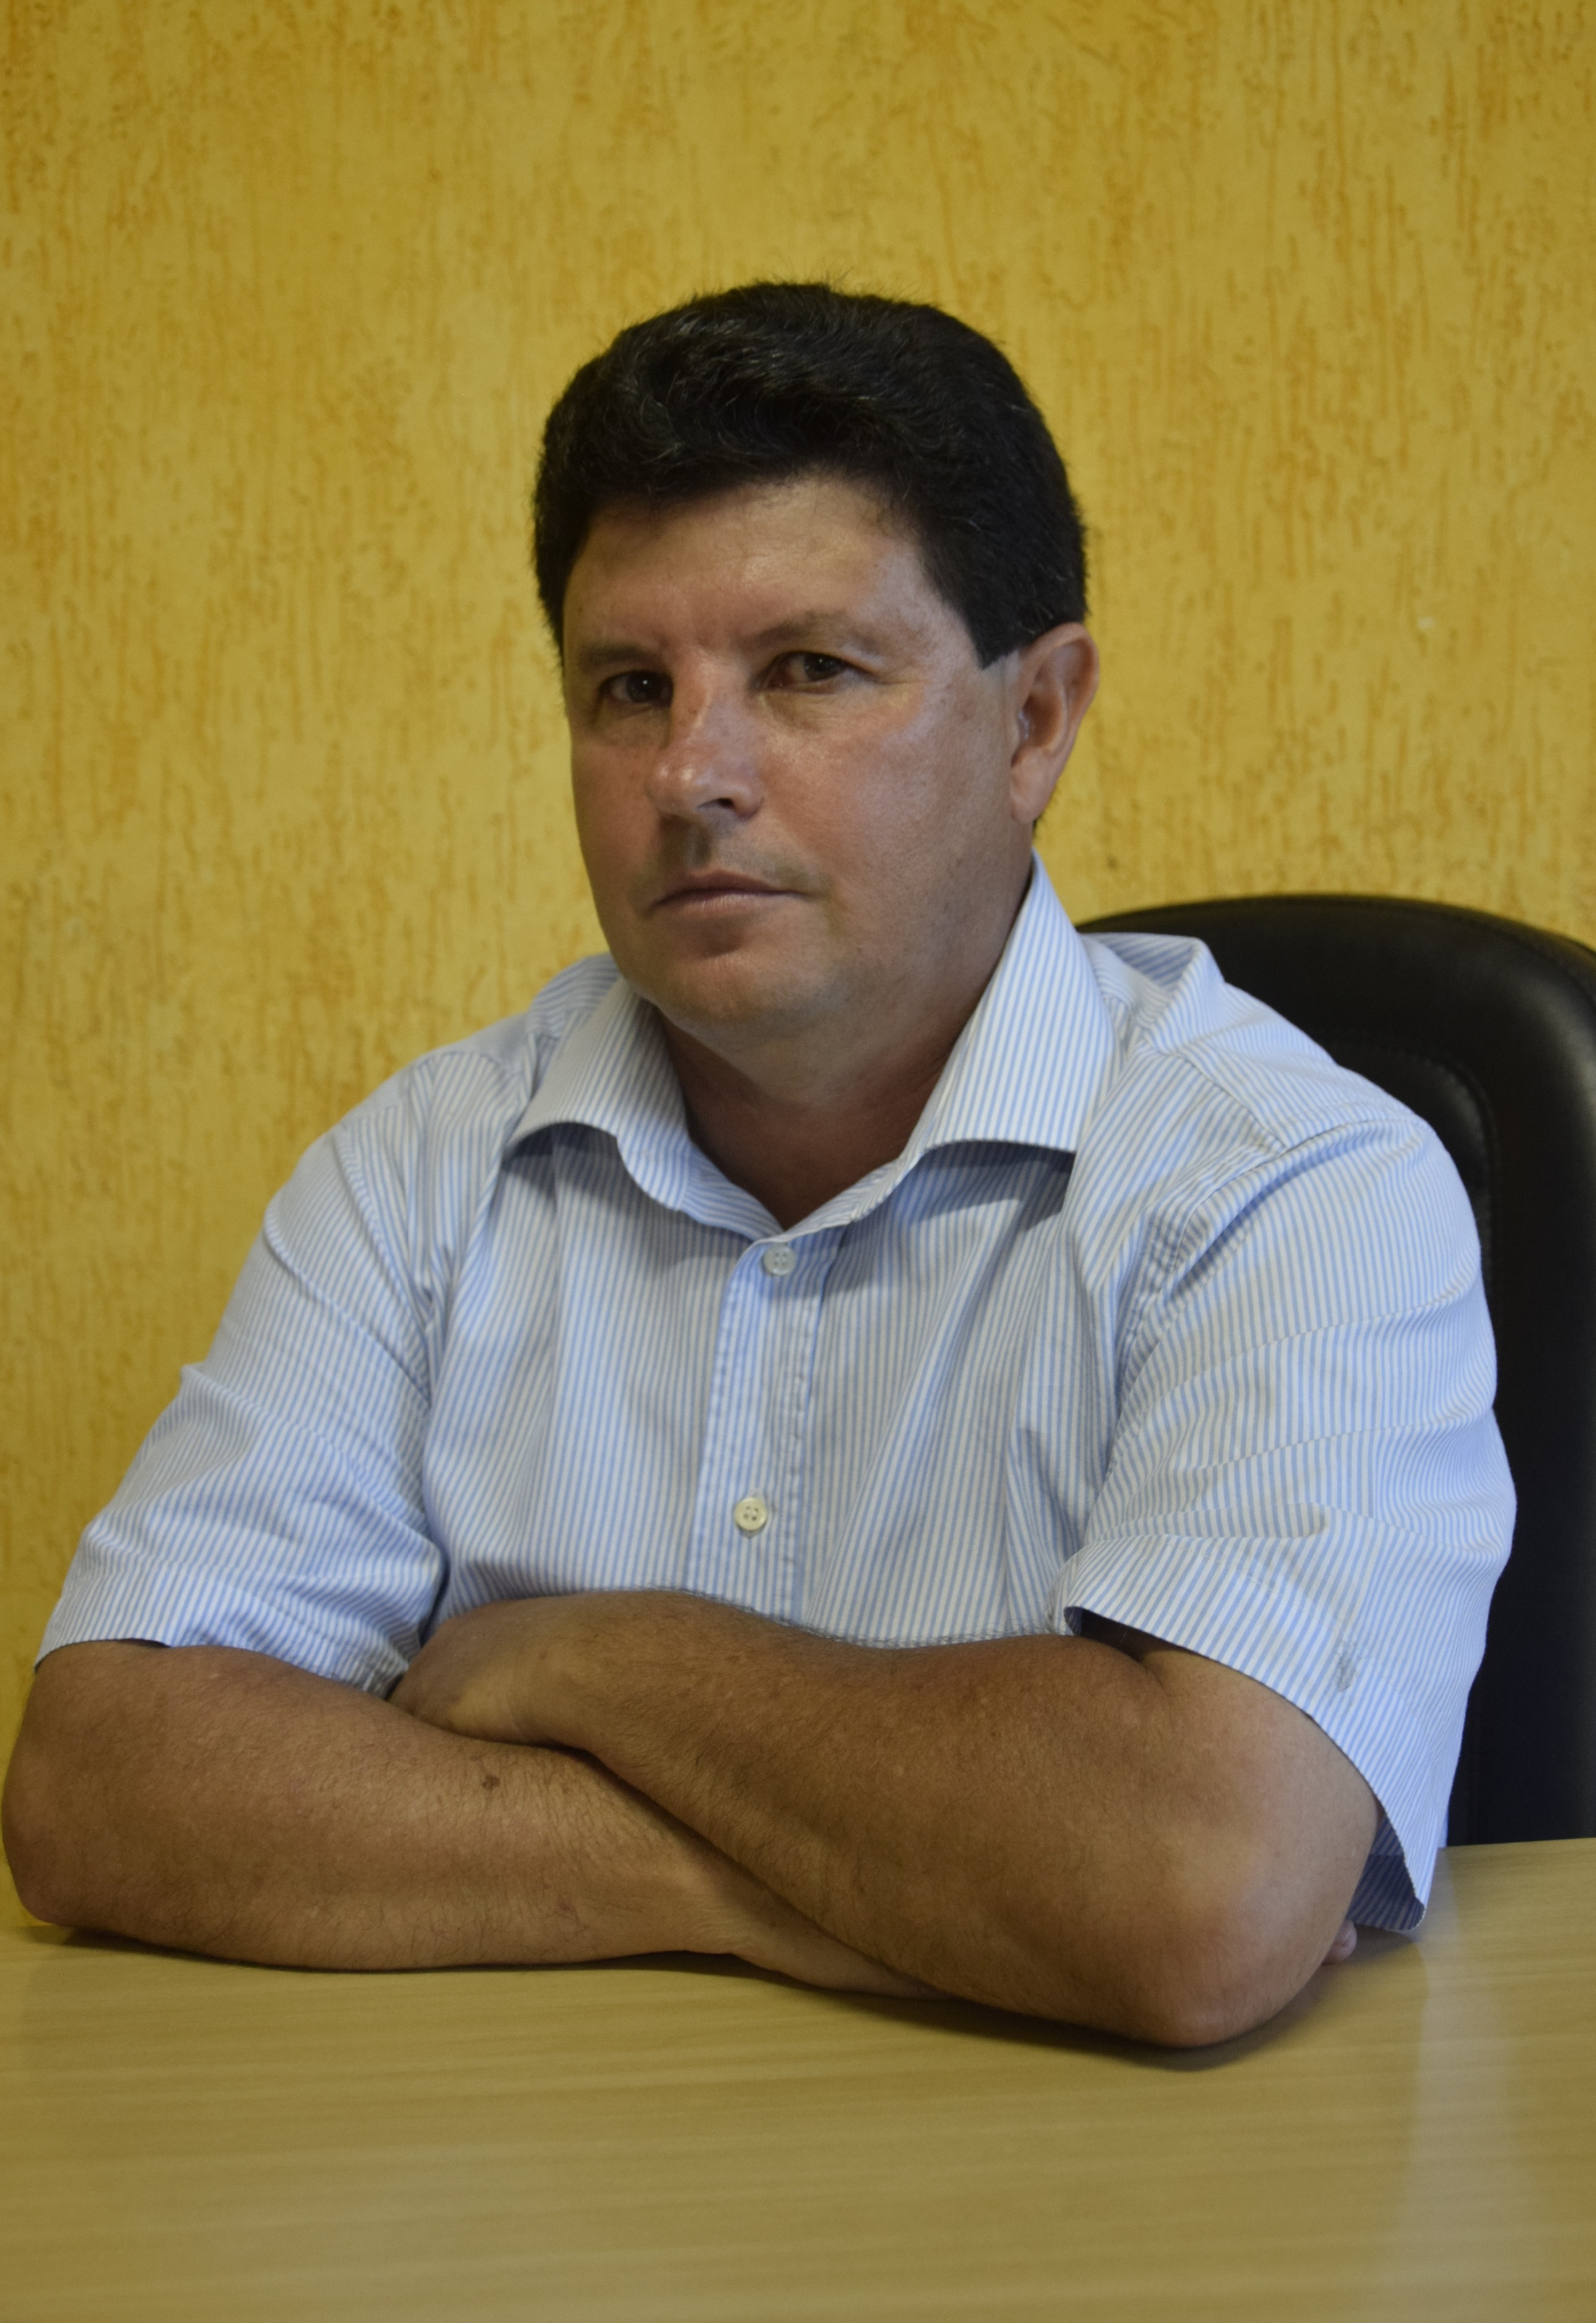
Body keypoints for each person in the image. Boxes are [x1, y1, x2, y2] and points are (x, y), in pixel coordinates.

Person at [3, 284, 1513, 2045]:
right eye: (629, 688)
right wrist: (835, 1887)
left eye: (808, 671)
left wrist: (584, 1657)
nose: (690, 773)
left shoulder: (1299, 1184)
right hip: (538, 2186)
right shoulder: (421, 1168)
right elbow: (101, 1781)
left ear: (1036, 719)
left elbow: (1192, 1887)